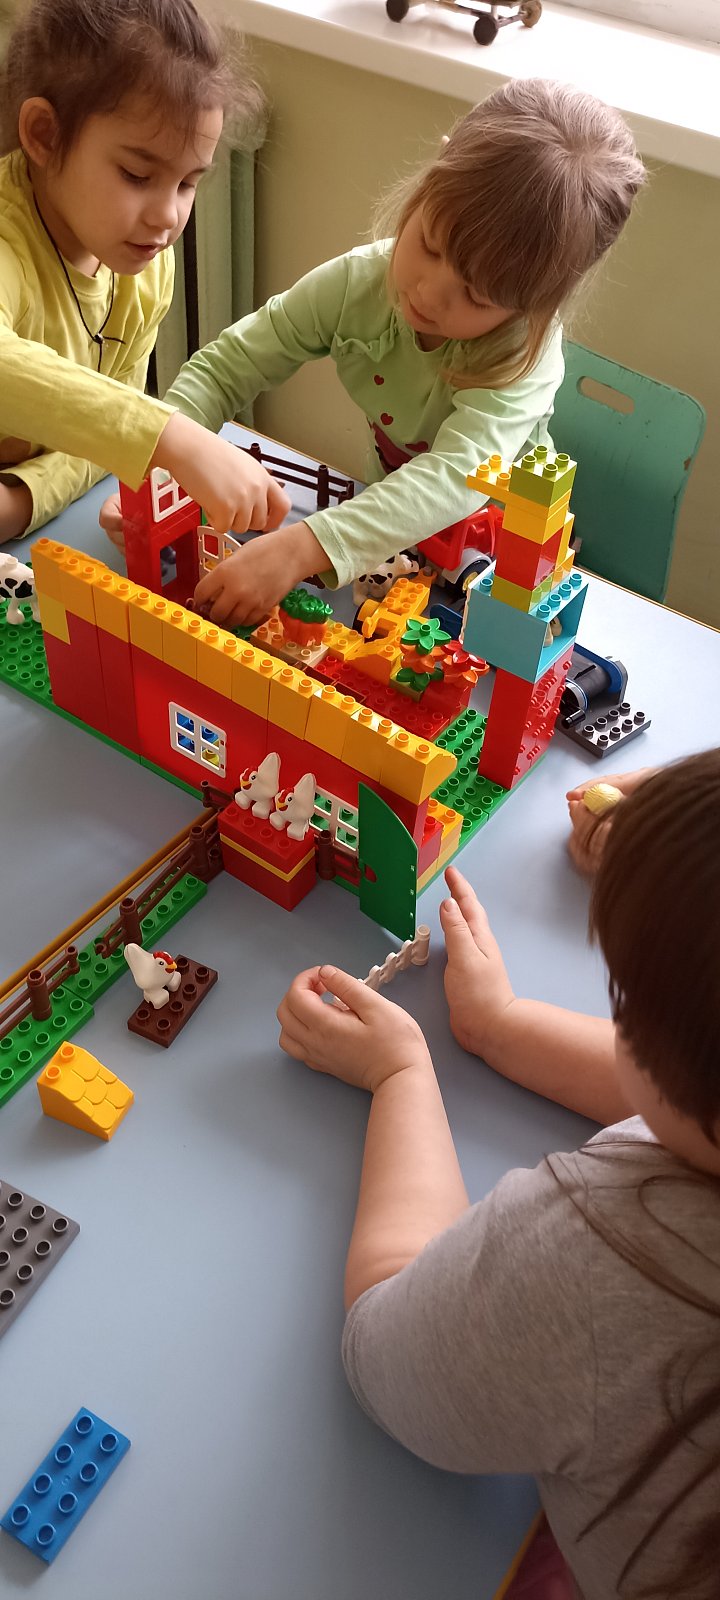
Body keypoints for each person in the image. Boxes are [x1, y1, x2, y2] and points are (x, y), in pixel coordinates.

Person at [277, 749, 720, 1600]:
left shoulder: (604, 1263)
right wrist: (504, 1026)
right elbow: (689, 1101)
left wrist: (401, 1077)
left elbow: (388, 1349)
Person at [156, 78, 646, 626]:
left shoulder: (524, 360)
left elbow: (454, 478)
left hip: (502, 565)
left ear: (535, 304)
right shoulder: (358, 283)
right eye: (429, 245)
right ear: (433, 176)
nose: (429, 295)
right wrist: (161, 462)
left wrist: (301, 548)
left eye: (477, 296)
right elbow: (227, 366)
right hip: (392, 538)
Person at [0, 0, 287, 543]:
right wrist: (170, 435)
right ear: (44, 134)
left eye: (187, 183)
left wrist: (22, 499)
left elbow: (104, 439)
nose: (168, 217)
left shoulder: (146, 269)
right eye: (136, 175)